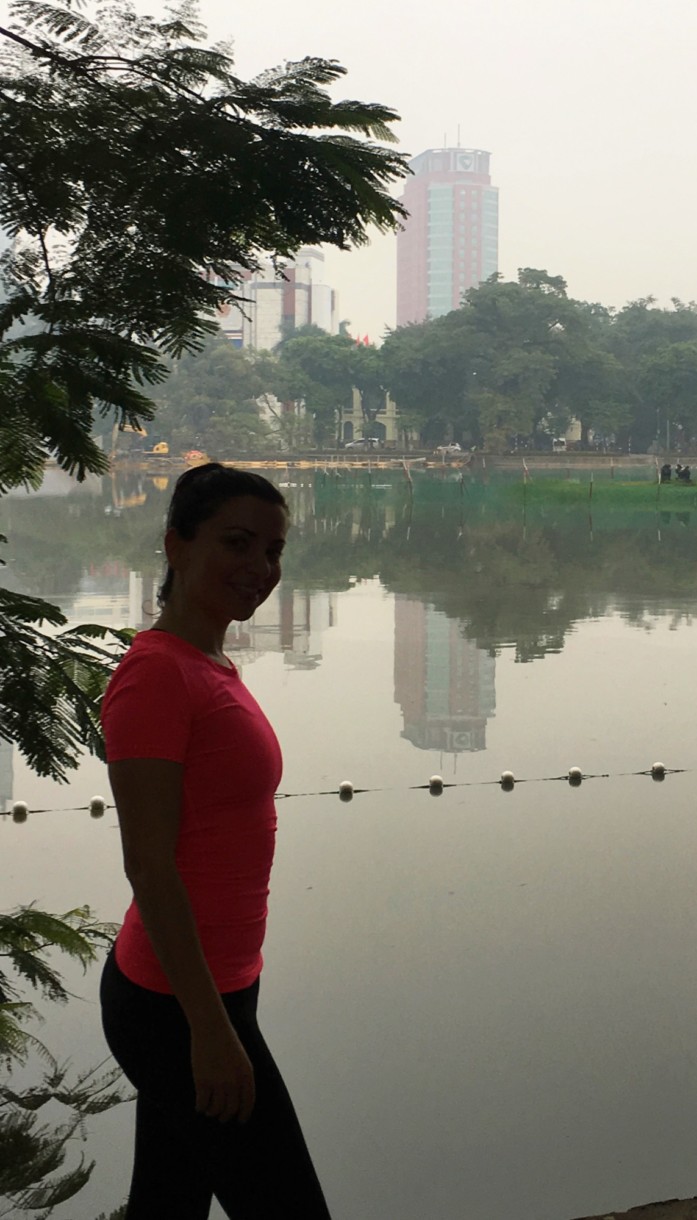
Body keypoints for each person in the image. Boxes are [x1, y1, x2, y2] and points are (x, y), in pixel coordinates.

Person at [99, 464, 331, 1220]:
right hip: (175, 1004)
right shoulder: (156, 677)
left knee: (167, 1204)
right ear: (177, 546)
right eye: (237, 543)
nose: (260, 567)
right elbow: (149, 865)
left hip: (218, 985)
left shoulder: (209, 663)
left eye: (273, 550)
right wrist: (209, 1031)